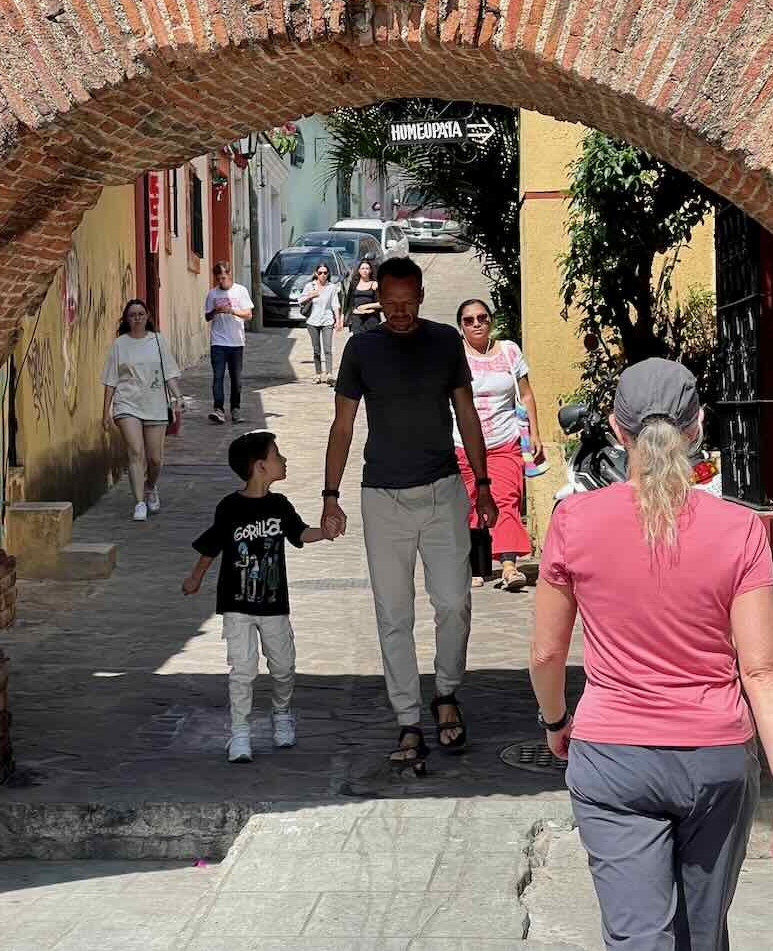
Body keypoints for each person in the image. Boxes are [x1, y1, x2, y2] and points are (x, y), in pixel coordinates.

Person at [529, 358, 773, 951]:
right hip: (716, 758)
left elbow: (546, 654)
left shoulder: (573, 520)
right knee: (702, 935)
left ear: (615, 428)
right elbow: (761, 667)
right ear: (698, 426)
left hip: (612, 757)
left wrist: (556, 721)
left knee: (638, 938)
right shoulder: (740, 528)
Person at [320, 256, 499, 767]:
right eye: (390, 304)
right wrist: (330, 496)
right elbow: (342, 427)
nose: (398, 313)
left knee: (454, 601)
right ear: (379, 297)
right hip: (382, 499)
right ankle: (407, 720)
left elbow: (466, 412)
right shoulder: (361, 348)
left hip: (444, 490)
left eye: (407, 303)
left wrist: (482, 484)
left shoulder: (445, 342)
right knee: (393, 614)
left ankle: (445, 693)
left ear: (420, 296)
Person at [183, 430, 329, 762]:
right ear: (260, 466)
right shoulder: (230, 507)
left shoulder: (280, 505)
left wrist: (326, 531)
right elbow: (212, 545)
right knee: (243, 669)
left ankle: (281, 714)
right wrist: (195, 577)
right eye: (278, 456)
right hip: (236, 605)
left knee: (283, 667)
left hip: (274, 605)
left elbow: (300, 534)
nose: (285, 460)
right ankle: (240, 734)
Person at [453, 298, 545, 592]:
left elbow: (527, 395)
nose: (477, 323)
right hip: (463, 444)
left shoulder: (509, 351)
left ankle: (508, 566)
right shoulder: (454, 356)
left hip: (504, 441)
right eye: (469, 320)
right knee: (467, 503)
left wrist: (535, 433)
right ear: (461, 327)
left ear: (490, 320)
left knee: (506, 499)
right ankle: (473, 568)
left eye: (482, 317)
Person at [101, 298, 185, 522]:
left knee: (155, 459)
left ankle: (151, 486)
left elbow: (169, 372)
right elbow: (111, 379)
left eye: (140, 314)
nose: (137, 318)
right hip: (127, 404)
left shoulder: (157, 341)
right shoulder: (120, 344)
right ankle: (139, 503)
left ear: (147, 317)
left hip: (155, 403)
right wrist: (105, 411)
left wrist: (178, 397)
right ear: (126, 320)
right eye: (132, 315)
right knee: (135, 451)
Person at [204, 261, 254, 424]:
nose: (221, 281)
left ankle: (235, 409)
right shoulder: (212, 294)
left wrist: (231, 310)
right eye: (218, 278)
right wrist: (215, 311)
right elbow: (207, 317)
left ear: (230, 274)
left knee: (236, 379)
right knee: (217, 377)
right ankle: (218, 409)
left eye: (223, 277)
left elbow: (248, 314)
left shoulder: (241, 291)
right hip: (218, 341)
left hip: (236, 342)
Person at [297, 261, 343, 383]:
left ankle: (329, 374)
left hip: (327, 320)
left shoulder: (331, 287)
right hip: (312, 321)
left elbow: (335, 304)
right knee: (316, 350)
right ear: (316, 273)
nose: (323, 275)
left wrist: (338, 321)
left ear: (328, 274)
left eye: (325, 273)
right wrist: (311, 296)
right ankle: (318, 374)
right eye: (320, 273)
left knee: (328, 349)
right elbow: (300, 300)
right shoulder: (310, 286)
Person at [347, 258, 382, 334]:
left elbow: (381, 303)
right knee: (358, 342)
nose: (365, 270)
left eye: (367, 268)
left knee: (371, 343)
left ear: (370, 270)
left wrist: (366, 306)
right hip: (357, 318)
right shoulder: (354, 284)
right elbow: (348, 302)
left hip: (371, 318)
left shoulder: (375, 284)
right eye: (362, 268)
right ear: (359, 270)